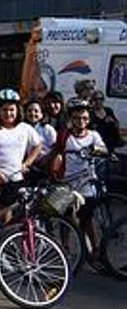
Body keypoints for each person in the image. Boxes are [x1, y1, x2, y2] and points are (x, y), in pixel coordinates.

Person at [50, 99, 109, 251]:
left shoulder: (93, 135)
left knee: (87, 219)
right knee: (66, 218)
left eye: (84, 118)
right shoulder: (65, 135)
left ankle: (95, 250)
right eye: (77, 118)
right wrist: (55, 169)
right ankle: (65, 249)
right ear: (71, 119)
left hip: (86, 184)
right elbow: (58, 153)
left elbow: (104, 150)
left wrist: (95, 149)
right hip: (67, 182)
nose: (81, 121)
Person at [0, 89, 43, 217]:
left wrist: (26, 164)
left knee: (9, 216)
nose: (8, 113)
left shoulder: (25, 128)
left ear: (18, 110)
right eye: (4, 110)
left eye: (12, 110)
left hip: (15, 176)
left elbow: (38, 146)